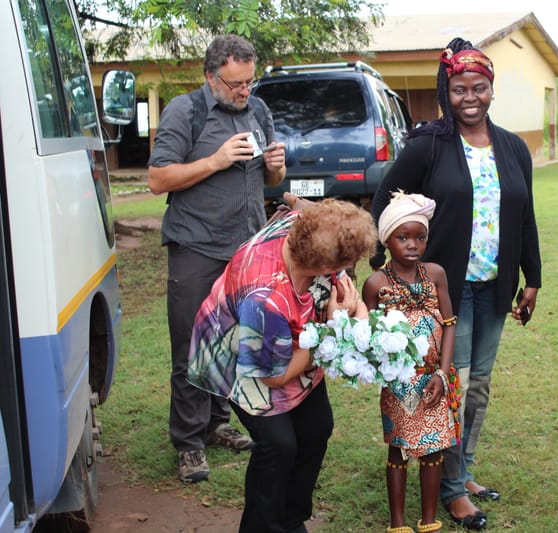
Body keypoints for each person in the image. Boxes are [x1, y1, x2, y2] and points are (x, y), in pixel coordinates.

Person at [371, 38, 542, 530]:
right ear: (448, 92)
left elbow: (524, 213)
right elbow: (386, 195)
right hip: (442, 288)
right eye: (460, 88)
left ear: (492, 90)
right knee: (454, 386)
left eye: (480, 87)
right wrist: (387, 262)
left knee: (479, 388)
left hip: (495, 284)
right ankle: (449, 488)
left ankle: (459, 469)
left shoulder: (512, 147)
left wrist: (532, 278)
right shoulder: (429, 143)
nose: (471, 97)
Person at [187, 198, 377, 533]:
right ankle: (262, 526)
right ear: (320, 268)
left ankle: (291, 520)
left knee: (316, 428)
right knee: (278, 446)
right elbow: (275, 376)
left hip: (296, 342)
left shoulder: (307, 226)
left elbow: (311, 213)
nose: (345, 272)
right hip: (244, 353)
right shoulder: (264, 297)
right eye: (342, 266)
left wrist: (355, 316)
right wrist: (331, 327)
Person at [147, 33, 287, 483]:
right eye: (234, 85)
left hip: (245, 246)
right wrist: (216, 159)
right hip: (195, 244)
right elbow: (157, 179)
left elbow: (271, 177)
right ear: (210, 77)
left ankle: (217, 423)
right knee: (191, 343)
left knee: (230, 340)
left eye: (249, 82)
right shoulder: (184, 112)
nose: (243, 92)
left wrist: (277, 166)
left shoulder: (258, 110)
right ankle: (188, 443)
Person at [362, 191, 460, 533]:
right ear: (387, 239)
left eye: (420, 237)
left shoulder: (435, 274)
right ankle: (398, 523)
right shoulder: (375, 284)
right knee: (399, 450)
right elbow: (371, 339)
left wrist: (443, 375)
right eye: (403, 237)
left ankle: (429, 519)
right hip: (399, 382)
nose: (412, 245)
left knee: (433, 450)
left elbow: (449, 325)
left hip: (433, 380)